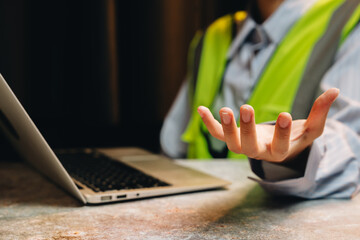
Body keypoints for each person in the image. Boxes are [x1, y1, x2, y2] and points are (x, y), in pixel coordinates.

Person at [160, 0, 360, 199]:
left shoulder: (348, 18)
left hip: (279, 220)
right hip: (193, 214)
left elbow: (351, 150)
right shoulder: (212, 37)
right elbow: (173, 147)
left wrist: (297, 156)